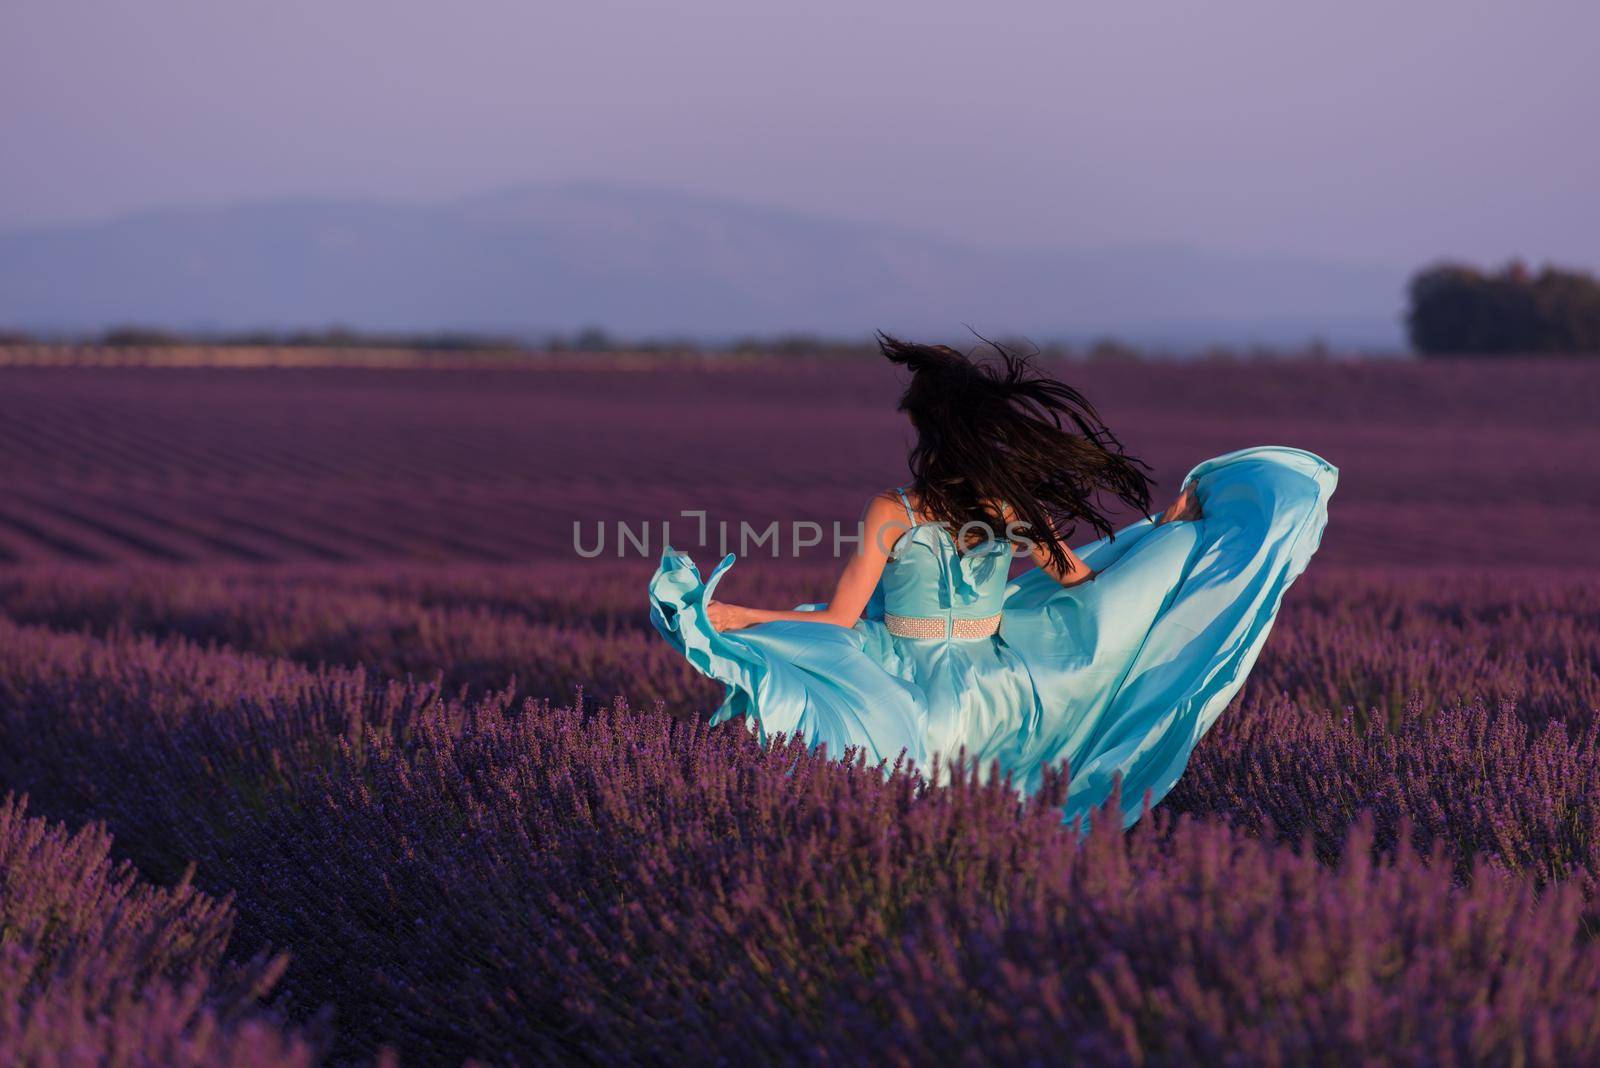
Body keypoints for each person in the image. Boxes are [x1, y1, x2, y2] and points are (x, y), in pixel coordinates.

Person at [648, 333, 1336, 830]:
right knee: (999, 814)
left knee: (871, 795)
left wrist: (729, 617)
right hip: (1003, 687)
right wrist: (1168, 533)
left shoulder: (894, 510)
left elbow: (836, 623)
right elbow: (1078, 578)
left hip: (908, 681)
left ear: (929, 437)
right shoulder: (1013, 507)